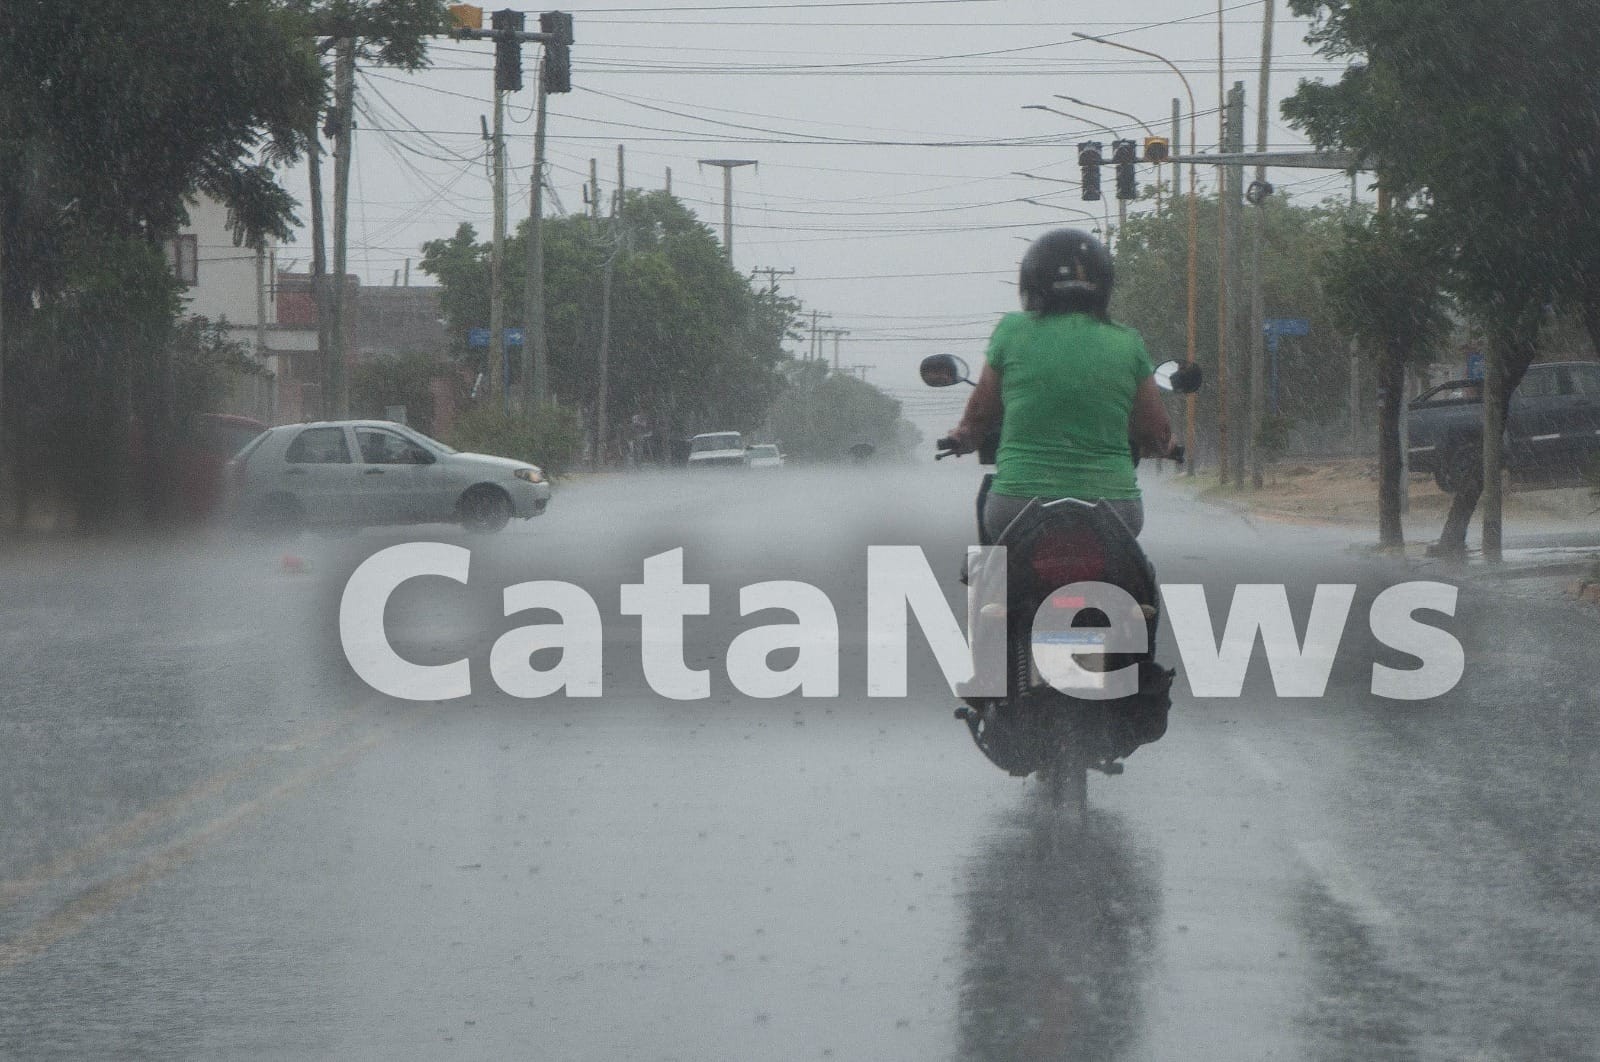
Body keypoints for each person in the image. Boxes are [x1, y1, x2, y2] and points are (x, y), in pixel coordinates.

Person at [944, 228, 1177, 541]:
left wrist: (964, 437)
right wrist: (1165, 446)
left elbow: (980, 415)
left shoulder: (1012, 331)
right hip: (1114, 508)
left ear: (1031, 281)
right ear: (1104, 285)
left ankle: (984, 575)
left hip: (1017, 504)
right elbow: (1155, 431)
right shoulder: (1127, 342)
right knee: (1137, 569)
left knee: (989, 562)